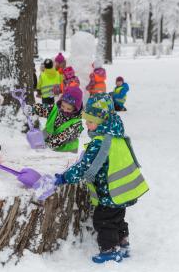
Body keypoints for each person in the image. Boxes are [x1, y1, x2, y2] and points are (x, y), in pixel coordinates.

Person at [54, 93, 148, 263]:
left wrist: (65, 177)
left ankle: (110, 250)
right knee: (117, 218)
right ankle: (122, 243)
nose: (87, 124)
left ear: (102, 121)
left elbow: (84, 167)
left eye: (90, 121)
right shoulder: (117, 136)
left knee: (103, 221)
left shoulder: (100, 142)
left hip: (110, 192)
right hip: (123, 191)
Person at [27, 86, 83, 152]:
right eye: (63, 106)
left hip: (66, 152)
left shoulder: (76, 123)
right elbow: (43, 109)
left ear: (75, 109)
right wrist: (32, 108)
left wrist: (47, 146)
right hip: (49, 147)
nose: (64, 110)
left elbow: (62, 137)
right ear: (60, 102)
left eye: (69, 109)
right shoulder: (55, 109)